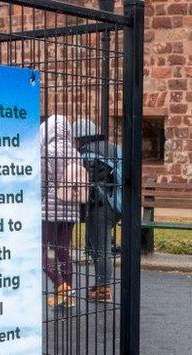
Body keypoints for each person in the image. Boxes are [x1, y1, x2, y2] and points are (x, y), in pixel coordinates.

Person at [71, 118, 122, 303]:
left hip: (100, 205)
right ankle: (101, 283)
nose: (75, 143)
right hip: (116, 203)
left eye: (76, 139)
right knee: (94, 246)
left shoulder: (87, 154)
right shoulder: (112, 147)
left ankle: (103, 289)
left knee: (101, 249)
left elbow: (87, 184)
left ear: (82, 137)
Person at [41, 115, 88, 308]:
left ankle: (62, 288)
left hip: (50, 209)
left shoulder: (46, 151)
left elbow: (43, 181)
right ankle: (68, 296)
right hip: (71, 208)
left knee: (41, 250)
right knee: (63, 251)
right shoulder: (76, 153)